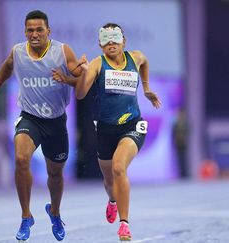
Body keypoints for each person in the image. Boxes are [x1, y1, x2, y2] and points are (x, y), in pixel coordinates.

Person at [53, 23, 161, 241]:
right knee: (109, 180)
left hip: (132, 125)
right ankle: (112, 201)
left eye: (115, 39)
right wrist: (83, 73)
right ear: (100, 44)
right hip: (105, 129)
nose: (111, 43)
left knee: (119, 167)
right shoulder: (96, 64)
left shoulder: (136, 57)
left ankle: (124, 224)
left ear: (124, 41)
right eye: (106, 40)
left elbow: (145, 62)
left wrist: (147, 88)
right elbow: (81, 94)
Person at [0, 10, 84, 242]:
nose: (35, 34)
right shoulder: (18, 52)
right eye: (30, 30)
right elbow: (6, 67)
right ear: (25, 32)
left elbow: (81, 79)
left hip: (56, 122)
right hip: (30, 117)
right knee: (20, 159)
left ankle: (55, 212)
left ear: (48, 31)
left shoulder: (62, 51)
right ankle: (26, 215)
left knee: (55, 174)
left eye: (39, 30)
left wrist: (67, 78)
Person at [172, 107, 189, 179]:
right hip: (178, 143)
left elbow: (188, 131)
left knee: (185, 158)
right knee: (179, 159)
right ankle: (180, 173)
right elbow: (173, 133)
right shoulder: (176, 123)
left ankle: (185, 173)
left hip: (184, 143)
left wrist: (184, 137)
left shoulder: (185, 123)